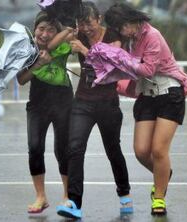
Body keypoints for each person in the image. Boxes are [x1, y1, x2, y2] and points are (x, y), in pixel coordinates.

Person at [104, 3, 187, 216]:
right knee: (141, 151)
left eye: (121, 27)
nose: (120, 32)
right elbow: (132, 76)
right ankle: (163, 174)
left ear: (131, 21)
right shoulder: (129, 39)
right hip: (147, 96)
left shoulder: (152, 35)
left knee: (159, 150)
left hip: (169, 93)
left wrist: (120, 59)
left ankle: (159, 197)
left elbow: (147, 69)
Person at [56, 1, 133, 219]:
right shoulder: (78, 34)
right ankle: (73, 202)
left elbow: (109, 65)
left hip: (107, 102)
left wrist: (83, 49)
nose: (86, 28)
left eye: (89, 22)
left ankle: (124, 192)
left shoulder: (114, 36)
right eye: (81, 23)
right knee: (74, 148)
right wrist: (66, 32)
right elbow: (57, 42)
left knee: (113, 150)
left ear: (98, 19)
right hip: (83, 101)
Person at [17, 11, 75, 214]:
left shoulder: (62, 45)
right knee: (34, 147)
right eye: (41, 28)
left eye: (51, 30)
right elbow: (21, 79)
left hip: (63, 102)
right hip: (37, 104)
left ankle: (68, 196)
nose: (45, 33)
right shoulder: (26, 51)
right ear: (34, 30)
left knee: (63, 149)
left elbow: (69, 37)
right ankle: (41, 196)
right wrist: (39, 63)